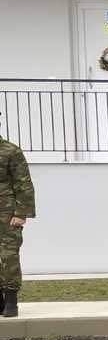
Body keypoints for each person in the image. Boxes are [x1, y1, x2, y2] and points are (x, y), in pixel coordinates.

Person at [0, 118, 34, 318]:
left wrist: (21, 213)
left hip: (7, 214)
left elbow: (24, 184)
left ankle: (11, 300)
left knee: (9, 255)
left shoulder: (11, 151)